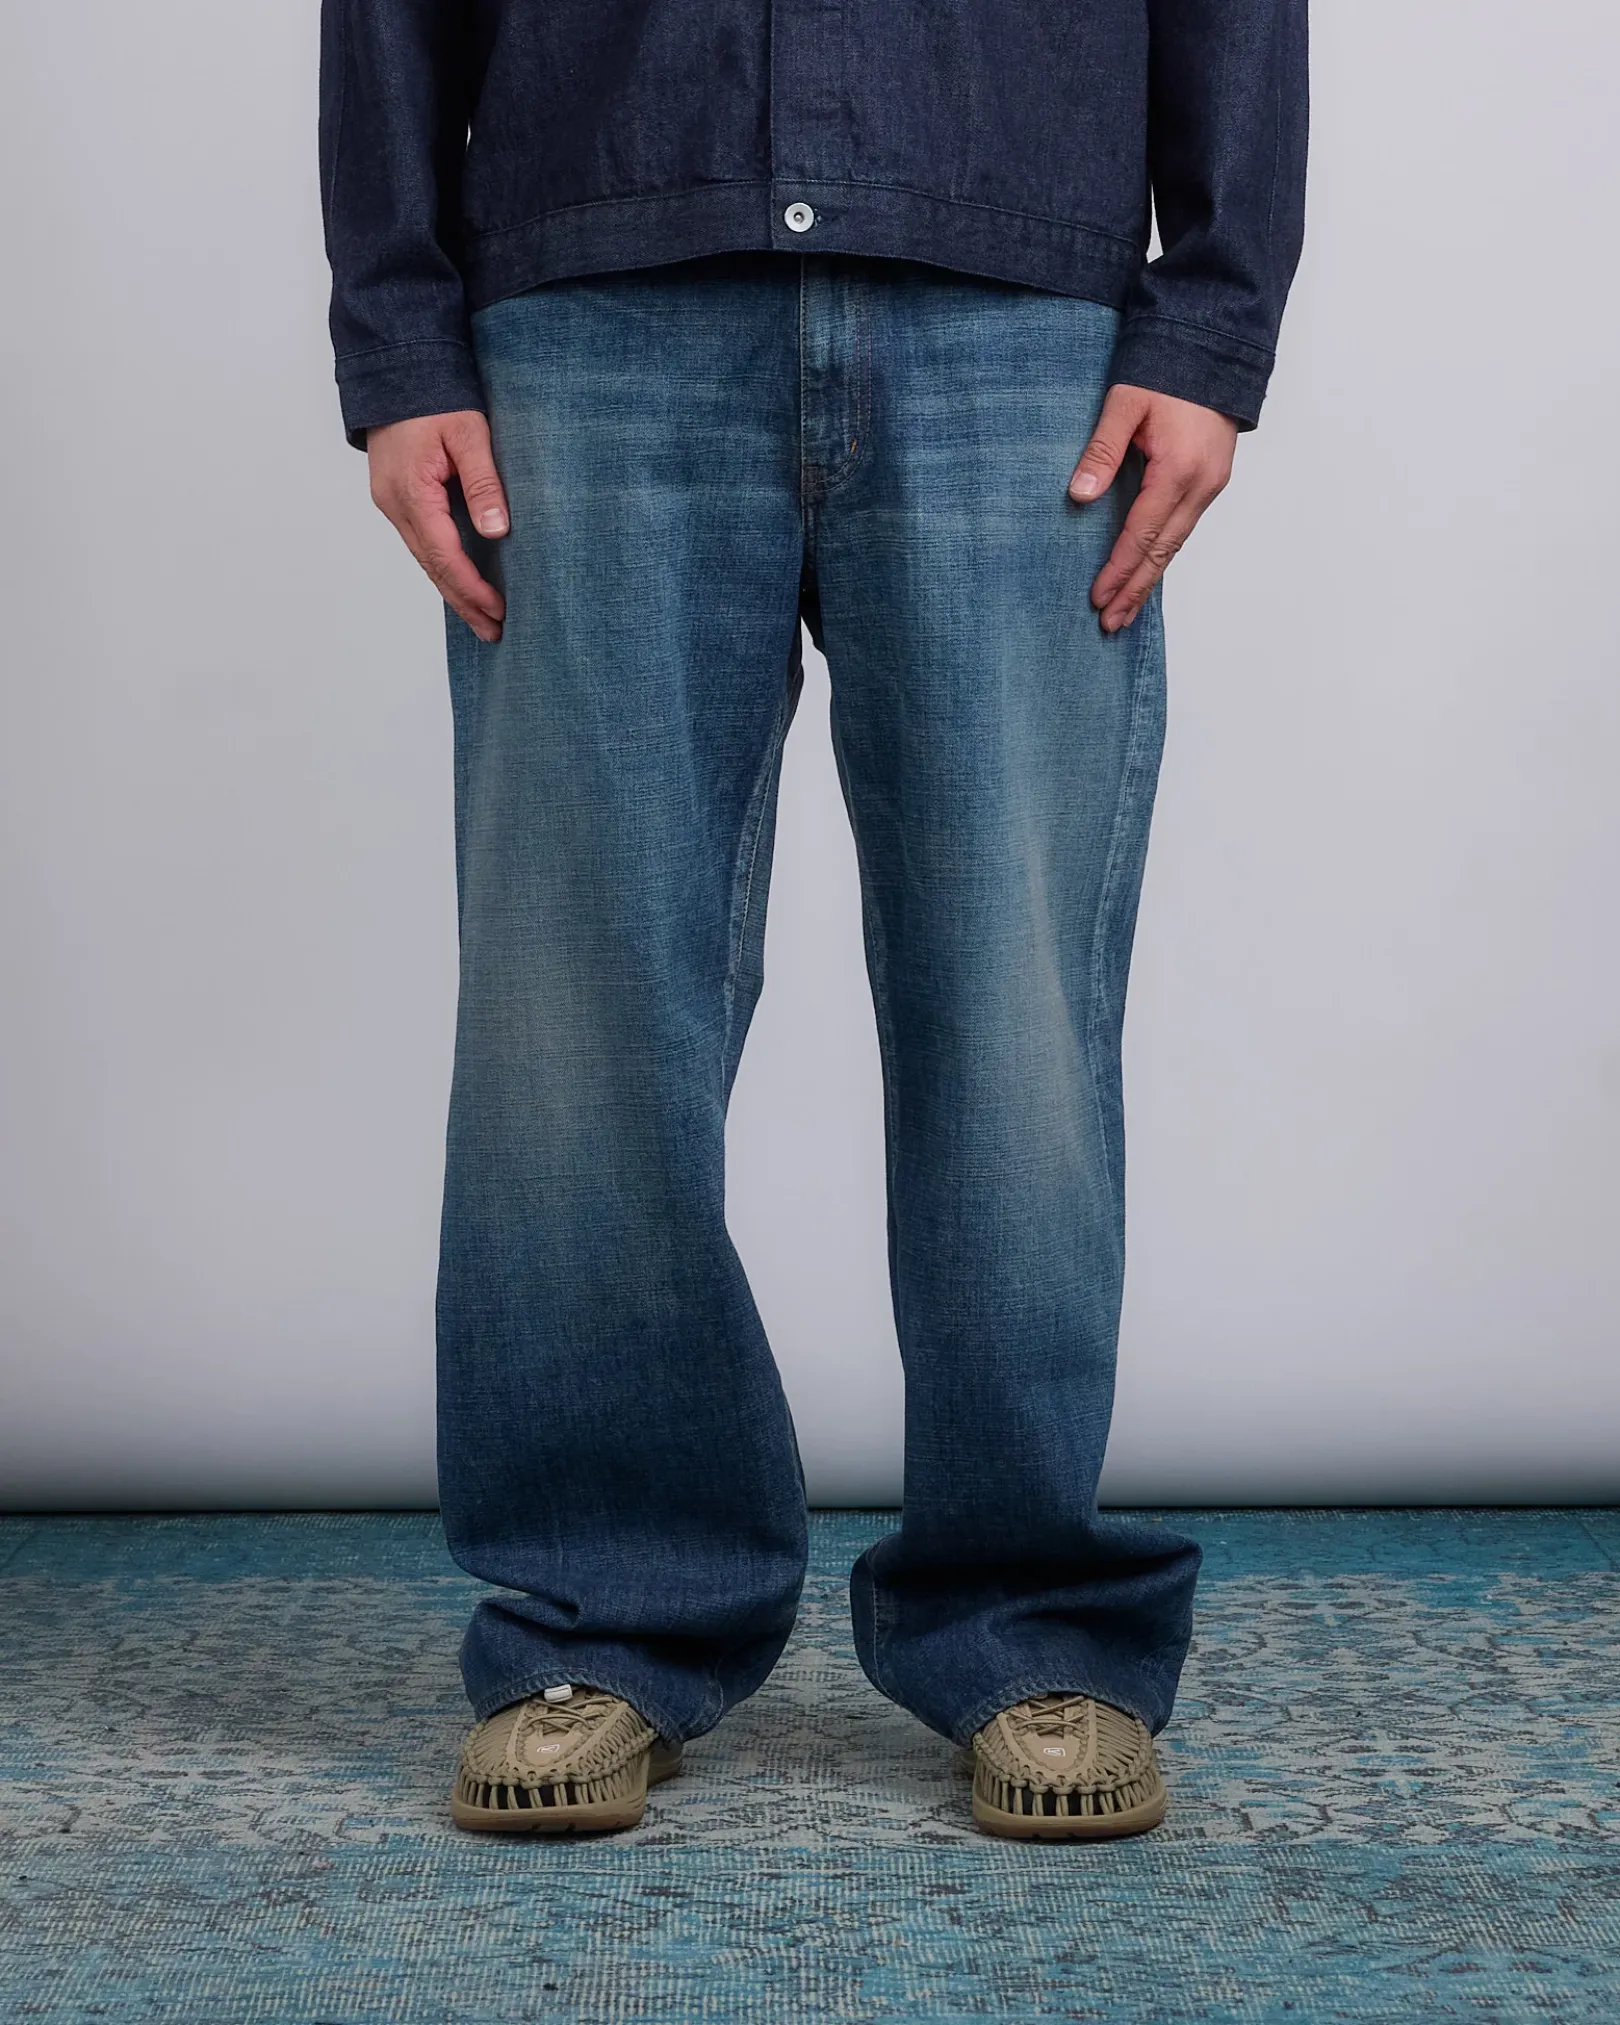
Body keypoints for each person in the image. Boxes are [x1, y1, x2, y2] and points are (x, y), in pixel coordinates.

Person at [318, 0, 1307, 1843]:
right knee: (578, 1010)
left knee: (1010, 1005)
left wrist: (1216, 312)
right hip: (593, 301)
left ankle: (1034, 1624)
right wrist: (395, 332)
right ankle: (602, 1613)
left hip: (1017, 313)